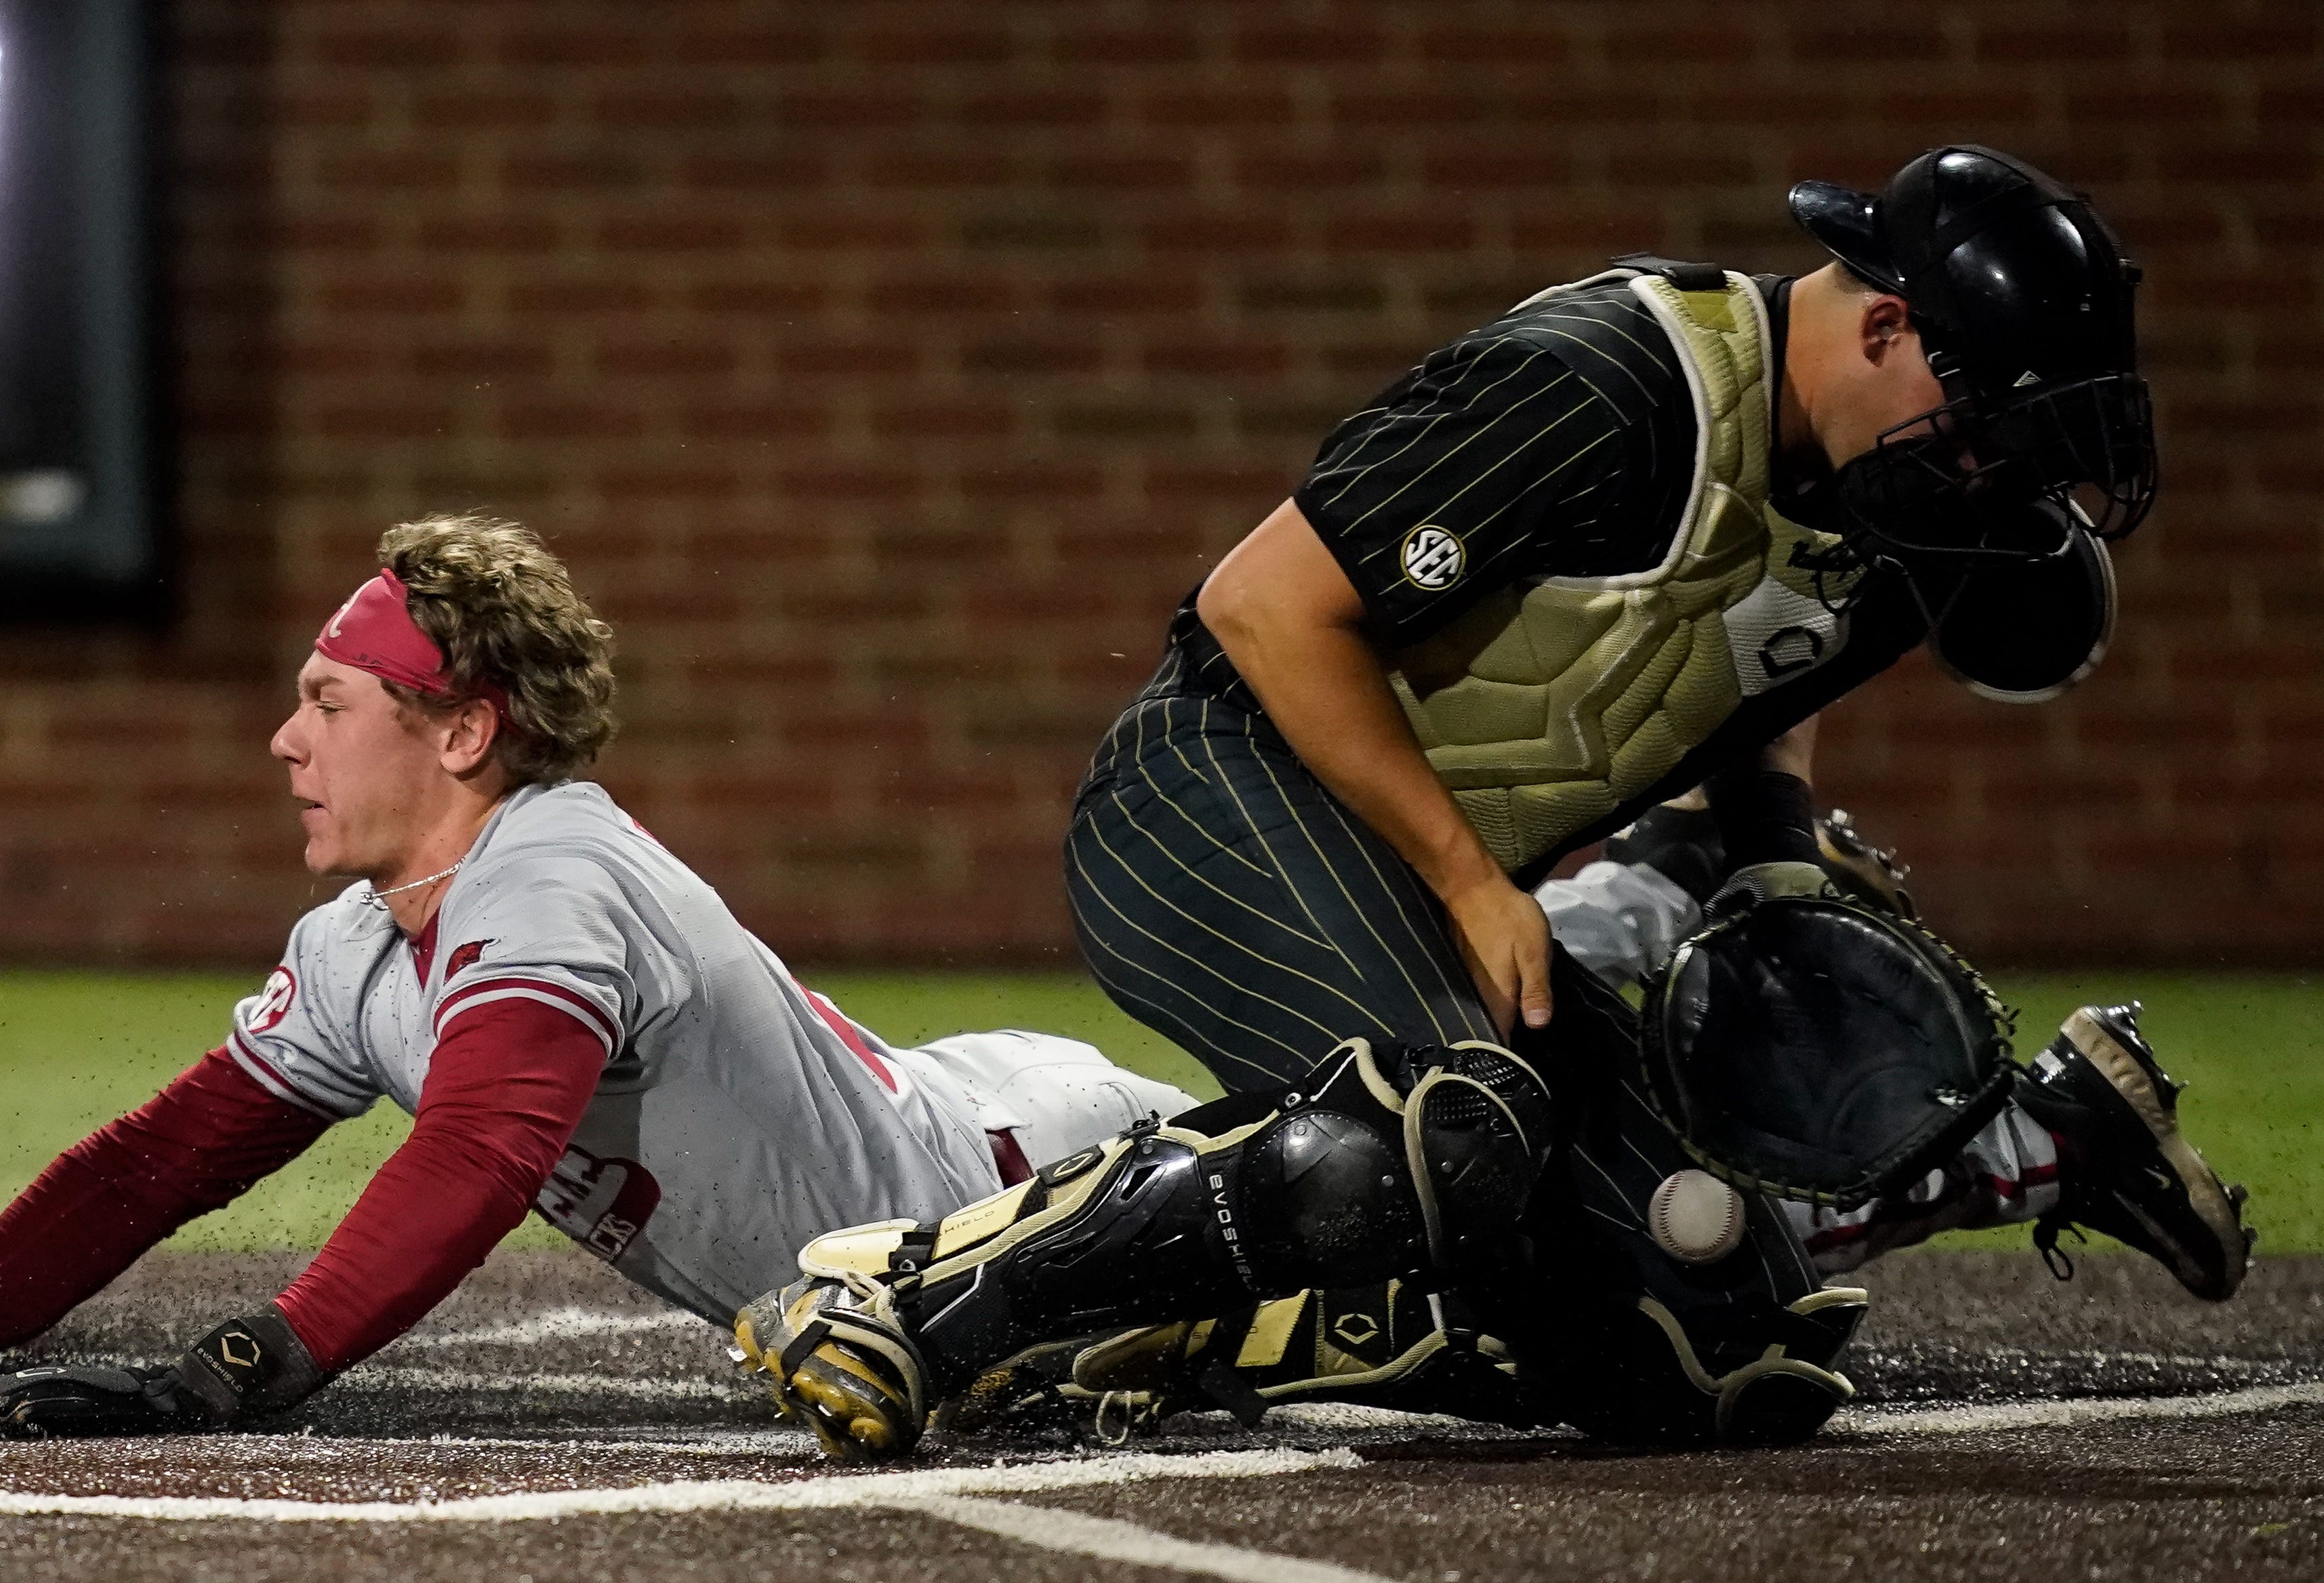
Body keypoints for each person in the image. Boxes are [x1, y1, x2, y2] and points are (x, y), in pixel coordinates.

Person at [736, 146, 2252, 1462]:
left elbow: (1754, 674)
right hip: (1206, 794)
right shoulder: (1611, 377)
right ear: (1884, 324)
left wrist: (1776, 862)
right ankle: (908, 1297)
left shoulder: (1892, 504)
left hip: (1427, 885)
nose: (1985, 473)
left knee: (1719, 1347)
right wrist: (1470, 882)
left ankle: (1220, 1317)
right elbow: (1262, 606)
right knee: (1445, 1119)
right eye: (1980, 427)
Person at [0, 513, 1194, 1432]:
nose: (285, 740)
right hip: (954, 1172)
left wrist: (242, 1367)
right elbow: (156, 1164)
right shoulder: (361, 943)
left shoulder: (551, 870)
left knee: (1336, 1245)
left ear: (462, 733)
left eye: (329, 703)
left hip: (1059, 1179)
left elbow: (480, 1149)